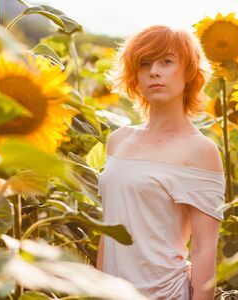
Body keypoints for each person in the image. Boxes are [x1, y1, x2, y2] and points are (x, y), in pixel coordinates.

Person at [96, 25, 226, 300]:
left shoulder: (200, 150)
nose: (154, 71)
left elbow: (205, 251)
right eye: (145, 64)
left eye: (166, 62)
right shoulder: (119, 140)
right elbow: (109, 230)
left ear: (189, 72)